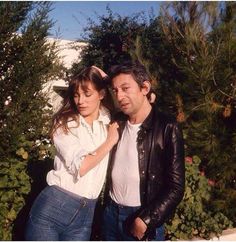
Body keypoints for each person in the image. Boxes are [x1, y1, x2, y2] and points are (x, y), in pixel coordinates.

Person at [25, 66, 119, 241]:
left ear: (101, 94)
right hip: (53, 209)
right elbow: (82, 166)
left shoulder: (107, 119)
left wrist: (107, 78)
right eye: (76, 95)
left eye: (87, 94)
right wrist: (109, 142)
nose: (80, 101)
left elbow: (132, 99)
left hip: (86, 215)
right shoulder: (65, 124)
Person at [101, 60, 185, 241]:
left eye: (125, 88)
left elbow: (176, 186)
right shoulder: (117, 123)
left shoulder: (167, 127)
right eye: (115, 91)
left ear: (145, 88)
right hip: (110, 214)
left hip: (140, 218)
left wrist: (146, 219)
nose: (119, 96)